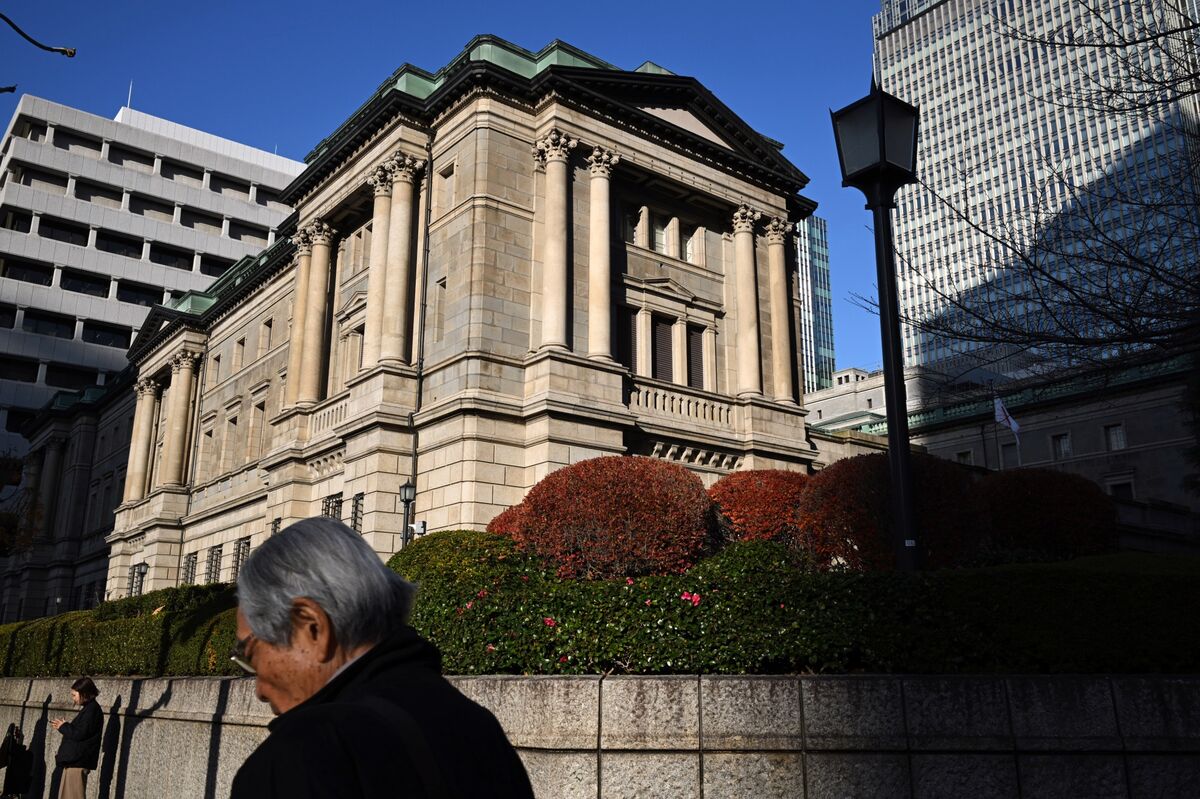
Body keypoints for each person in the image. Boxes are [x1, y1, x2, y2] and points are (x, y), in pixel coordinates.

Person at [229, 516, 534, 799]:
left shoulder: (299, 757)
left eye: (251, 653)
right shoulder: (480, 728)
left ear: (312, 627)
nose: (260, 691)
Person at [50, 677, 102, 799]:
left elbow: (80, 734)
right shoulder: (90, 709)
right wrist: (65, 726)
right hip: (75, 762)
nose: (73, 698)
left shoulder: (92, 710)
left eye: (74, 695)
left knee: (73, 795)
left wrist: (63, 726)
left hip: (78, 762)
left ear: (84, 693)